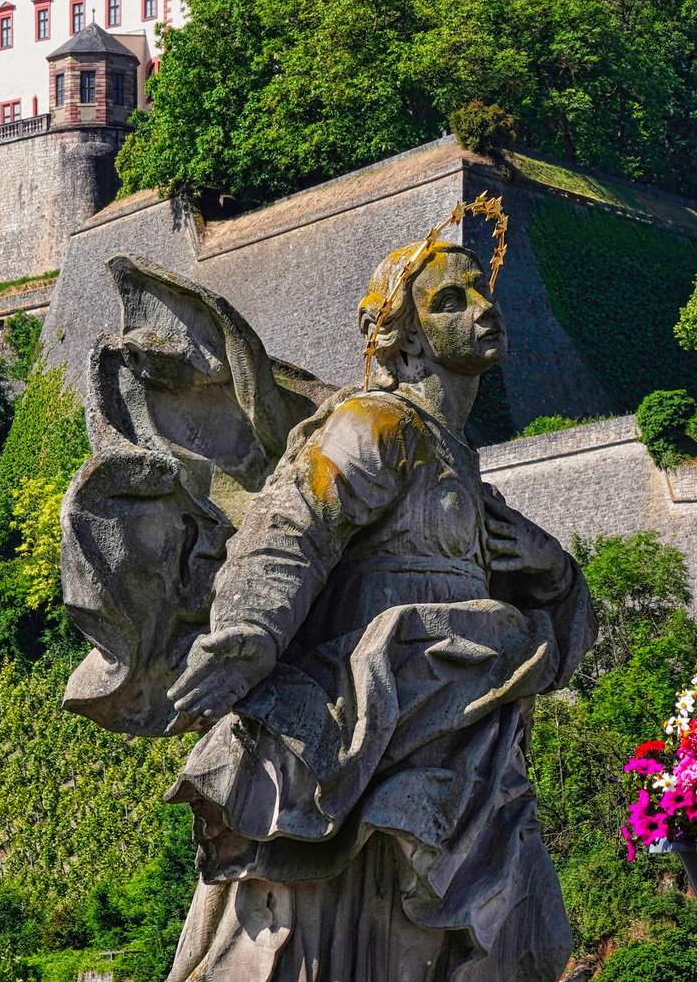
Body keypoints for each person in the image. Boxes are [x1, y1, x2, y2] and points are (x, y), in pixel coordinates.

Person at [129, 237, 592, 982]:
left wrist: (555, 572)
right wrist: (246, 634)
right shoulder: (377, 426)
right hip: (366, 739)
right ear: (403, 339)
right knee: (377, 940)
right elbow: (288, 528)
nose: (483, 310)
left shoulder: (465, 474)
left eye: (480, 292)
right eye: (450, 300)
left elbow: (563, 649)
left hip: (464, 741)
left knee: (514, 938)